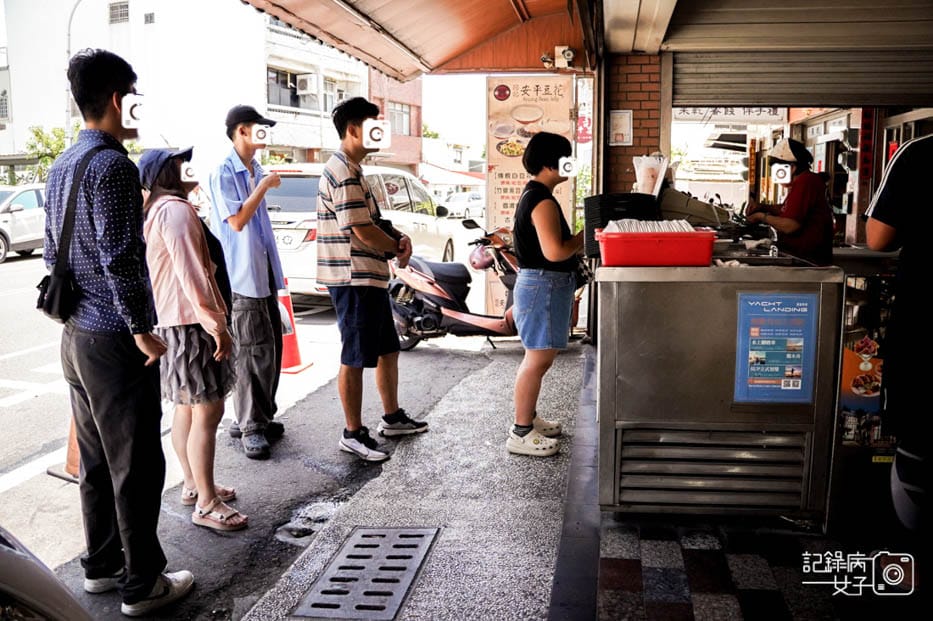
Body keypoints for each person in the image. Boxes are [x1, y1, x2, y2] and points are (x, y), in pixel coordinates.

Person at [43, 48, 193, 617]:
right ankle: (143, 584)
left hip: (75, 335)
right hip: (112, 336)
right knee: (136, 462)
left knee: (97, 457)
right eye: (133, 95)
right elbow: (121, 258)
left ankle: (102, 566)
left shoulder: (63, 164)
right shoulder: (112, 166)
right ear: (116, 98)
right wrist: (142, 329)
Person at [139, 147, 247, 532]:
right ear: (166, 174)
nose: (187, 168)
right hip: (191, 324)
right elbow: (193, 272)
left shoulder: (157, 212)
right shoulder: (176, 210)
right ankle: (206, 502)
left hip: (173, 323)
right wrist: (216, 324)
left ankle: (193, 484)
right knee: (208, 411)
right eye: (179, 164)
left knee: (186, 408)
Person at [317, 97, 427, 462]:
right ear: (353, 129)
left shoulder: (354, 168)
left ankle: (392, 417)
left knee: (387, 350)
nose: (380, 132)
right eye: (373, 126)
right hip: (352, 278)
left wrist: (398, 237)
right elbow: (361, 229)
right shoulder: (343, 170)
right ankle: (352, 433)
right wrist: (396, 247)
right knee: (355, 355)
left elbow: (373, 222)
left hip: (369, 278)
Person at [207, 105, 286, 460]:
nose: (264, 135)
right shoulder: (224, 172)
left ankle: (258, 418)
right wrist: (265, 186)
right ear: (242, 131)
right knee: (252, 352)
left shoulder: (256, 169)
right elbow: (237, 221)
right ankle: (250, 426)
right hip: (241, 277)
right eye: (259, 129)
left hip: (264, 273)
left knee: (269, 350)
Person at [866, 134, 929, 532]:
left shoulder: (921, 152)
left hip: (925, 328)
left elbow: (878, 238)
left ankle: (916, 566)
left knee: (920, 444)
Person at [508, 132, 584, 457]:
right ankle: (521, 431)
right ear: (550, 162)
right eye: (566, 157)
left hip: (542, 284)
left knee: (540, 359)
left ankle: (529, 418)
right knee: (536, 360)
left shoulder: (537, 195)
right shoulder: (541, 200)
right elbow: (554, 251)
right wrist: (586, 237)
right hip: (543, 283)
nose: (571, 163)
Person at [745, 138, 835, 266]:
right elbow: (788, 210)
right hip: (802, 259)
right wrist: (763, 206)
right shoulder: (804, 182)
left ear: (792, 168)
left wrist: (761, 216)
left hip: (807, 263)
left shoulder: (806, 182)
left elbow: (790, 225)